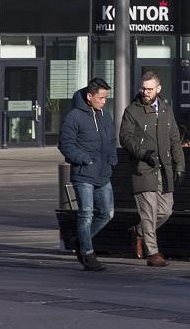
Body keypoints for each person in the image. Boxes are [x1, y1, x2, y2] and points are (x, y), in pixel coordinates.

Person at [119, 68, 185, 267]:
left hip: (164, 169)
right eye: (143, 88)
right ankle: (153, 252)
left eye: (149, 89)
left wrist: (179, 165)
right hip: (143, 168)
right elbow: (125, 138)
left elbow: (174, 139)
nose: (145, 92)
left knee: (165, 211)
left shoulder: (166, 109)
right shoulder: (132, 110)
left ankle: (138, 231)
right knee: (149, 211)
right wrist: (141, 153)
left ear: (158, 88)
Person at [58, 76, 118, 271]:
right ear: (89, 96)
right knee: (86, 214)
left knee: (107, 213)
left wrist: (112, 159)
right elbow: (65, 144)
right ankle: (88, 254)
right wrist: (84, 159)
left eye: (106, 97)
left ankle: (81, 241)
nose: (104, 101)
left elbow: (111, 141)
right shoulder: (74, 116)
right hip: (83, 173)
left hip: (102, 173)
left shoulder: (105, 116)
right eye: (101, 97)